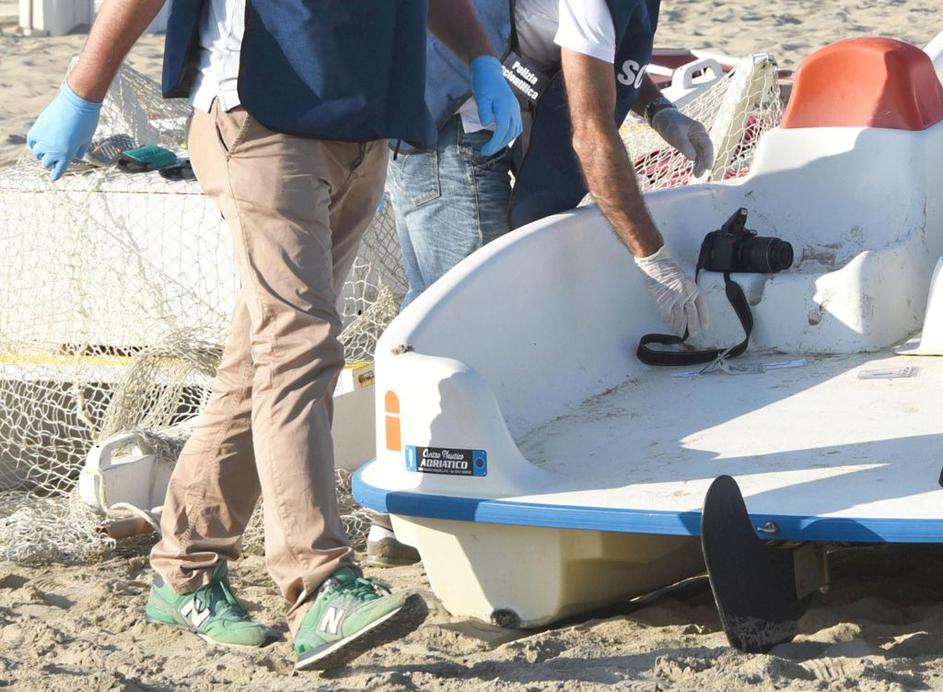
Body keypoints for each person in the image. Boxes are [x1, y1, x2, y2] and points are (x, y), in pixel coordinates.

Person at [26, 0, 520, 672]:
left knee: (259, 362)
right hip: (264, 121)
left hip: (363, 130)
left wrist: (482, 58)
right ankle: (318, 583)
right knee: (299, 348)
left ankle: (184, 568)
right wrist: (83, 90)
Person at [368, 0, 713, 565]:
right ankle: (444, 512)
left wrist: (658, 110)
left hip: (465, 122)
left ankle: (392, 514)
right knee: (465, 326)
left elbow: (602, 57)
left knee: (427, 310)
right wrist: (652, 258)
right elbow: (591, 137)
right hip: (451, 135)